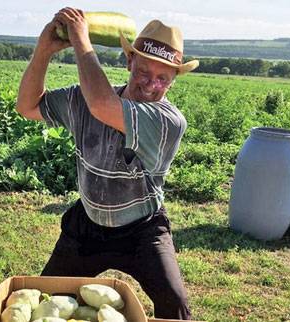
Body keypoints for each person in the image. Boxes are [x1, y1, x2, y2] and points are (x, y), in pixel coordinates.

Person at [16, 7, 199, 320]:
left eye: (163, 79)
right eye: (144, 72)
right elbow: (27, 105)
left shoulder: (169, 121)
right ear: (128, 61)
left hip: (143, 230)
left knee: (175, 304)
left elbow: (103, 106)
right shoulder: (80, 101)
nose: (151, 85)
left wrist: (82, 42)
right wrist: (44, 51)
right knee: (44, 296)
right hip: (88, 226)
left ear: (173, 80)